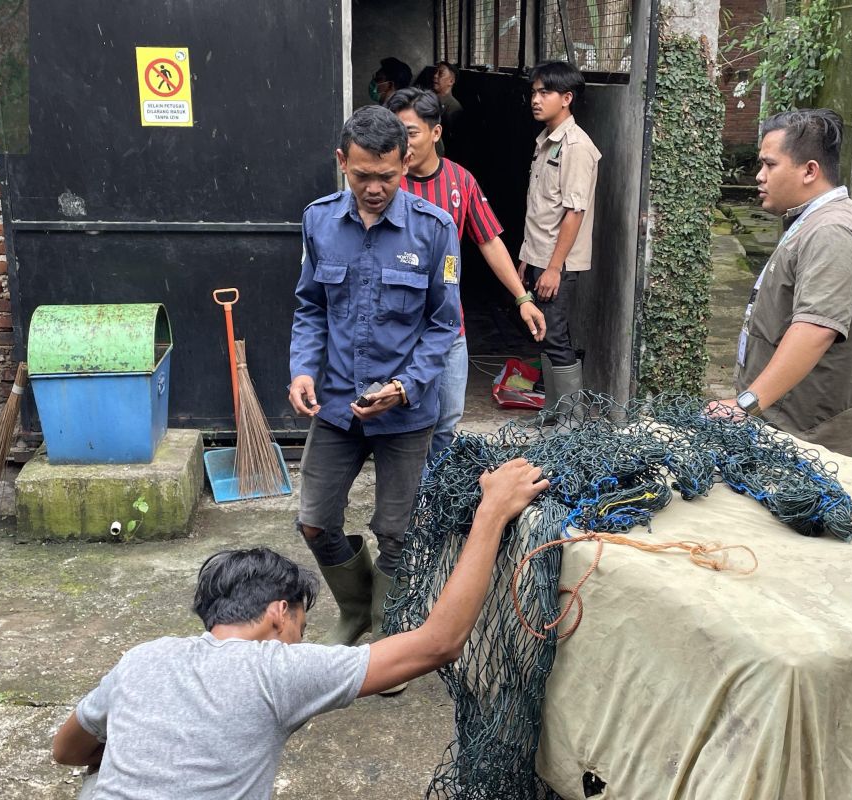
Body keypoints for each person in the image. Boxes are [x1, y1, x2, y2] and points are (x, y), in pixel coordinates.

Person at [52, 459, 550, 800]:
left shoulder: (145, 657)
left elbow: (66, 750)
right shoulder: (276, 670)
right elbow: (439, 643)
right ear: (278, 612)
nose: (300, 639)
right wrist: (492, 513)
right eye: (301, 626)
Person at [286, 105, 460, 690]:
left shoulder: (435, 231)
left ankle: (387, 630)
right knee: (314, 521)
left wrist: (406, 385)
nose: (376, 187)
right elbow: (310, 305)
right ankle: (357, 611)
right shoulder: (318, 223)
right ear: (342, 163)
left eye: (388, 175)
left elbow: (443, 326)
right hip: (335, 404)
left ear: (406, 162)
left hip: (406, 413)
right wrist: (301, 370)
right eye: (363, 176)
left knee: (397, 531)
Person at [386, 87, 546, 459]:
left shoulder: (460, 182)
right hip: (396, 326)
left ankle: (435, 495)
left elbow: (489, 241)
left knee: (446, 419)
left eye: (409, 133)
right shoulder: (385, 183)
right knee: (403, 421)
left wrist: (522, 298)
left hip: (447, 326)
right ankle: (404, 496)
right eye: (394, 133)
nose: (401, 143)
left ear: (435, 133)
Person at [718, 108, 852, 457]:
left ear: (810, 170)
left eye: (770, 165)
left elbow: (815, 330)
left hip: (808, 432)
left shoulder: (831, 231)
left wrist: (746, 404)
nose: (759, 176)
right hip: (784, 418)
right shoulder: (809, 221)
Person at [516, 61, 600, 416]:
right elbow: (539, 209)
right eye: (534, 92)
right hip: (538, 256)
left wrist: (552, 268)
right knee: (542, 333)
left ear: (566, 98)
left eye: (544, 93)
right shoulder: (545, 142)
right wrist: (525, 257)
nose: (536, 99)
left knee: (554, 334)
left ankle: (571, 420)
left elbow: (574, 213)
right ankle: (553, 411)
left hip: (557, 263)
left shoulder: (576, 147)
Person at [432, 60, 463, 157]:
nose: (435, 76)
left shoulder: (453, 107)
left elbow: (455, 143)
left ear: (451, 81)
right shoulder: (430, 101)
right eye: (436, 72)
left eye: (440, 73)